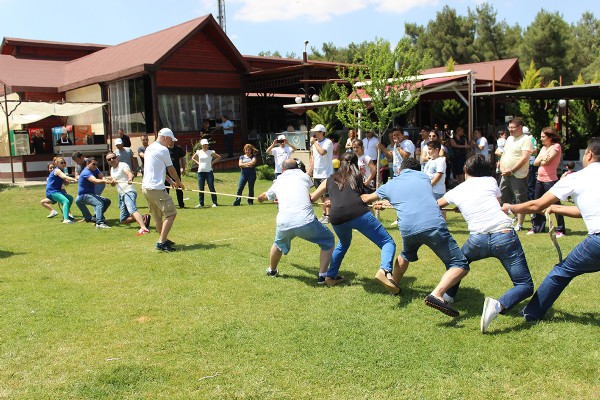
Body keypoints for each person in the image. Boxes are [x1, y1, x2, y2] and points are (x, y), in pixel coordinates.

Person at [503, 137, 600, 322]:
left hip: (597, 241)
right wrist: (557, 208)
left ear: (588, 154)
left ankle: (530, 313)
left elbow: (536, 205)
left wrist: (510, 208)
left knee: (561, 272)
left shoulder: (577, 177)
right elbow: (586, 211)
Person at [361, 157, 470, 317]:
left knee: (405, 254)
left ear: (399, 170)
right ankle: (437, 294)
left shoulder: (390, 185)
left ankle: (393, 285)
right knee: (459, 264)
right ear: (418, 170)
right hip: (432, 225)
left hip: (408, 228)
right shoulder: (424, 177)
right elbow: (416, 197)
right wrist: (388, 203)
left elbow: (367, 199)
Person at [438, 154, 534, 333]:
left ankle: (448, 295)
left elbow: (437, 205)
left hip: (477, 240)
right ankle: (497, 305)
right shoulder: (491, 181)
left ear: (466, 170)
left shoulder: (456, 191)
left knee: (459, 263)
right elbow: (495, 204)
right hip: (504, 236)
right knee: (524, 285)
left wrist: (462, 204)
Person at [311, 152, 398, 291]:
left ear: (340, 163)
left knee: (343, 243)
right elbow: (365, 196)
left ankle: (330, 276)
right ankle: (385, 271)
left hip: (336, 217)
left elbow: (311, 198)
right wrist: (381, 202)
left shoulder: (328, 179)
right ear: (356, 163)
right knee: (387, 242)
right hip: (358, 213)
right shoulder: (357, 177)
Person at [258, 158, 335, 283]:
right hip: (305, 222)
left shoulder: (278, 181)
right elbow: (305, 194)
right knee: (328, 240)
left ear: (282, 169)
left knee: (278, 244)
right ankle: (322, 276)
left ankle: (272, 270)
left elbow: (266, 196)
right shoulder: (304, 176)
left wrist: (260, 198)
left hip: (284, 222)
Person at [142, 128, 185, 252]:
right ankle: (161, 242)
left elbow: (157, 168)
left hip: (146, 187)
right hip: (156, 188)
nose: (171, 142)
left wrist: (170, 181)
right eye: (171, 139)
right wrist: (178, 182)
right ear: (166, 137)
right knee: (171, 213)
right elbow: (171, 169)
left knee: (158, 216)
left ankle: (163, 239)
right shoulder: (163, 149)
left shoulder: (149, 148)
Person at [529, 127, 565, 236]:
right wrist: (543, 157)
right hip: (539, 180)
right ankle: (537, 228)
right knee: (537, 204)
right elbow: (535, 162)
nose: (541, 139)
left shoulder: (556, 146)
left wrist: (542, 158)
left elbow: (546, 161)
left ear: (550, 137)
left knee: (556, 205)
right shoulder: (544, 148)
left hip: (550, 180)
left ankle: (561, 230)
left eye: (543, 137)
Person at [499, 117, 532, 231]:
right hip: (505, 173)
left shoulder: (526, 139)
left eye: (513, 128)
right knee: (503, 197)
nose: (511, 130)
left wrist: (512, 170)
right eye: (510, 127)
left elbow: (524, 158)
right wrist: (502, 166)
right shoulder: (509, 139)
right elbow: (504, 154)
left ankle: (519, 223)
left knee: (520, 198)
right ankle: (504, 222)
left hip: (518, 175)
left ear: (520, 127)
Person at [106, 152, 150, 235]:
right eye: (109, 159)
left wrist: (130, 179)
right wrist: (111, 182)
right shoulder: (112, 169)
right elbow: (113, 184)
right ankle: (144, 217)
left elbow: (130, 174)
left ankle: (144, 228)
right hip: (121, 194)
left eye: (113, 157)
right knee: (123, 220)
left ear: (117, 158)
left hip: (128, 191)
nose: (112, 160)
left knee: (132, 210)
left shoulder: (123, 165)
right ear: (107, 161)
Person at [306, 124, 334, 223]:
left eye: (316, 132)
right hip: (317, 174)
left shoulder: (328, 142)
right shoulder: (315, 144)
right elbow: (313, 159)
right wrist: (309, 172)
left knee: (327, 196)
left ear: (322, 132)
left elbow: (322, 152)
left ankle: (329, 215)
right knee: (321, 196)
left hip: (326, 173)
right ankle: (324, 214)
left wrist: (314, 143)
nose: (314, 134)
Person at [75, 157, 112, 229]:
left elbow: (101, 177)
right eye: (93, 164)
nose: (95, 166)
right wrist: (104, 181)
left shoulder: (95, 169)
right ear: (88, 164)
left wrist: (105, 179)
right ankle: (100, 223)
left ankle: (93, 218)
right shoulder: (86, 172)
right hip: (84, 195)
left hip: (90, 194)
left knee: (107, 201)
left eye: (97, 164)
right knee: (99, 203)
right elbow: (94, 180)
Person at [45, 157, 78, 224]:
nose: (63, 164)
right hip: (52, 191)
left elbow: (66, 183)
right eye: (61, 163)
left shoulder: (61, 171)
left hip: (57, 191)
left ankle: (65, 215)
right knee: (66, 201)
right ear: (57, 164)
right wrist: (73, 178)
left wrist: (71, 181)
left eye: (64, 162)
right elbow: (64, 177)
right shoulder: (57, 170)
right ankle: (66, 219)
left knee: (70, 198)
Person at [192, 138, 220, 208]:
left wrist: (212, 163)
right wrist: (198, 163)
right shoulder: (198, 152)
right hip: (200, 172)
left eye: (206, 145)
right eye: (204, 145)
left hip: (208, 172)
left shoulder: (210, 152)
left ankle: (214, 202)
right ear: (201, 145)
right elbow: (193, 158)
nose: (205, 146)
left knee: (211, 187)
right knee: (201, 188)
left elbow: (218, 157)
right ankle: (201, 203)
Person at [166, 142, 186, 208]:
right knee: (166, 189)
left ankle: (181, 204)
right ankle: (166, 205)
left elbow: (183, 158)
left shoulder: (178, 148)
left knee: (179, 188)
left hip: (176, 172)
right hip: (166, 173)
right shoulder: (164, 149)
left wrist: (183, 168)